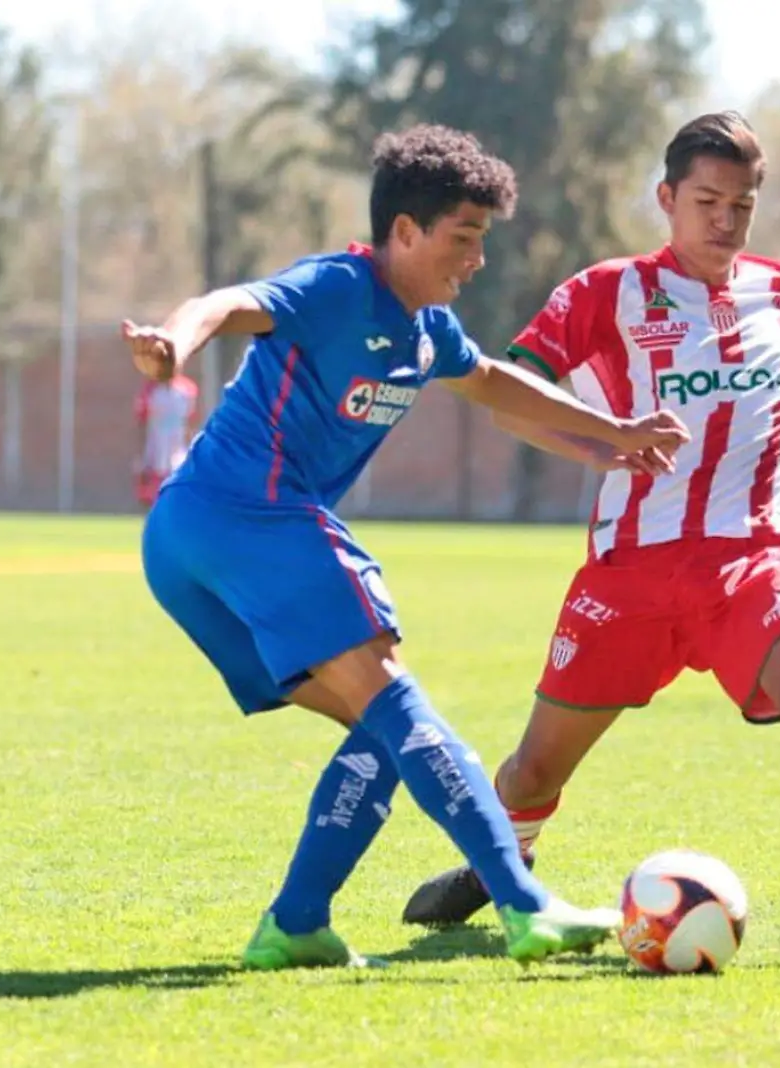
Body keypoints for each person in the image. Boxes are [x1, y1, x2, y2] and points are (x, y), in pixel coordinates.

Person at [125, 125, 690, 970]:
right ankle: (524, 904)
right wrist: (174, 345)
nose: (476, 260)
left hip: (187, 545)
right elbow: (226, 303)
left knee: (383, 733)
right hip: (250, 513)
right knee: (399, 707)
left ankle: (297, 922)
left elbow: (496, 381)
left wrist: (613, 430)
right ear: (404, 233)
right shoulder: (337, 286)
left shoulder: (429, 333)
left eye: (482, 240)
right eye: (463, 239)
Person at [396, 112, 780, 941]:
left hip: (758, 556)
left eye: (742, 204)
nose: (725, 220)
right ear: (666, 197)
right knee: (537, 766)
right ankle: (495, 867)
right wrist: (601, 446)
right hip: (633, 569)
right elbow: (510, 391)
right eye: (707, 199)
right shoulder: (604, 292)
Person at [134, 372, 199, 508]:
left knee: (179, 496)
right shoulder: (150, 391)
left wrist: (193, 452)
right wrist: (141, 456)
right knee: (152, 498)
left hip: (178, 451)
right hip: (155, 452)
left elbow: (190, 423)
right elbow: (141, 424)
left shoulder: (187, 390)